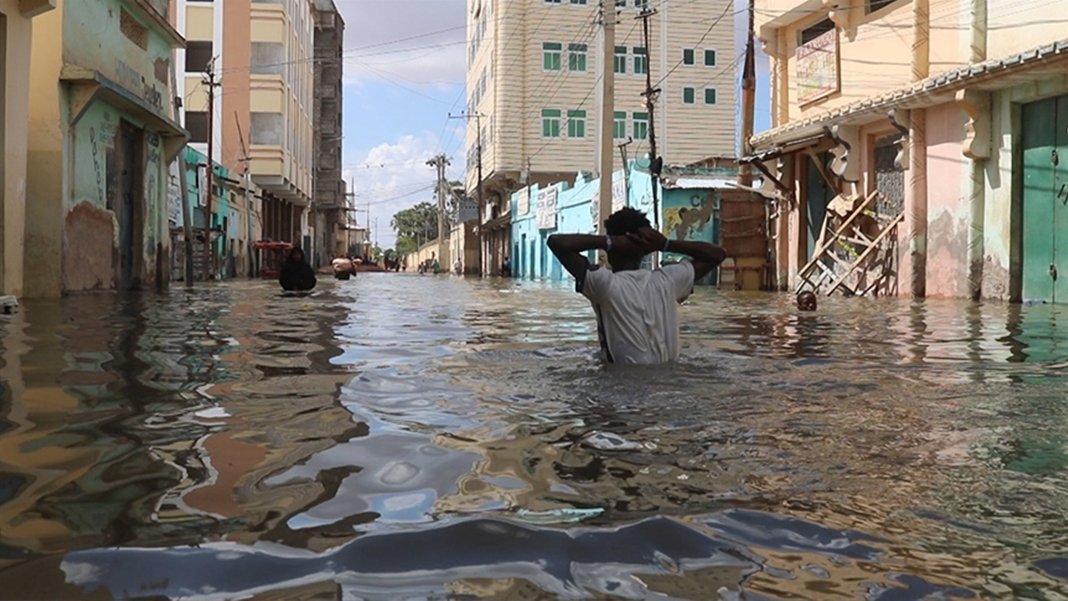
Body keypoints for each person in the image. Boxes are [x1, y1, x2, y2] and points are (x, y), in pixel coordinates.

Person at [547, 207, 726, 365]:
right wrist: (666, 244)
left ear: (610, 248)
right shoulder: (668, 280)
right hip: (670, 382)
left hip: (620, 387)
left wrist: (610, 242)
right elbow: (717, 254)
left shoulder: (603, 284)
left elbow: (556, 243)